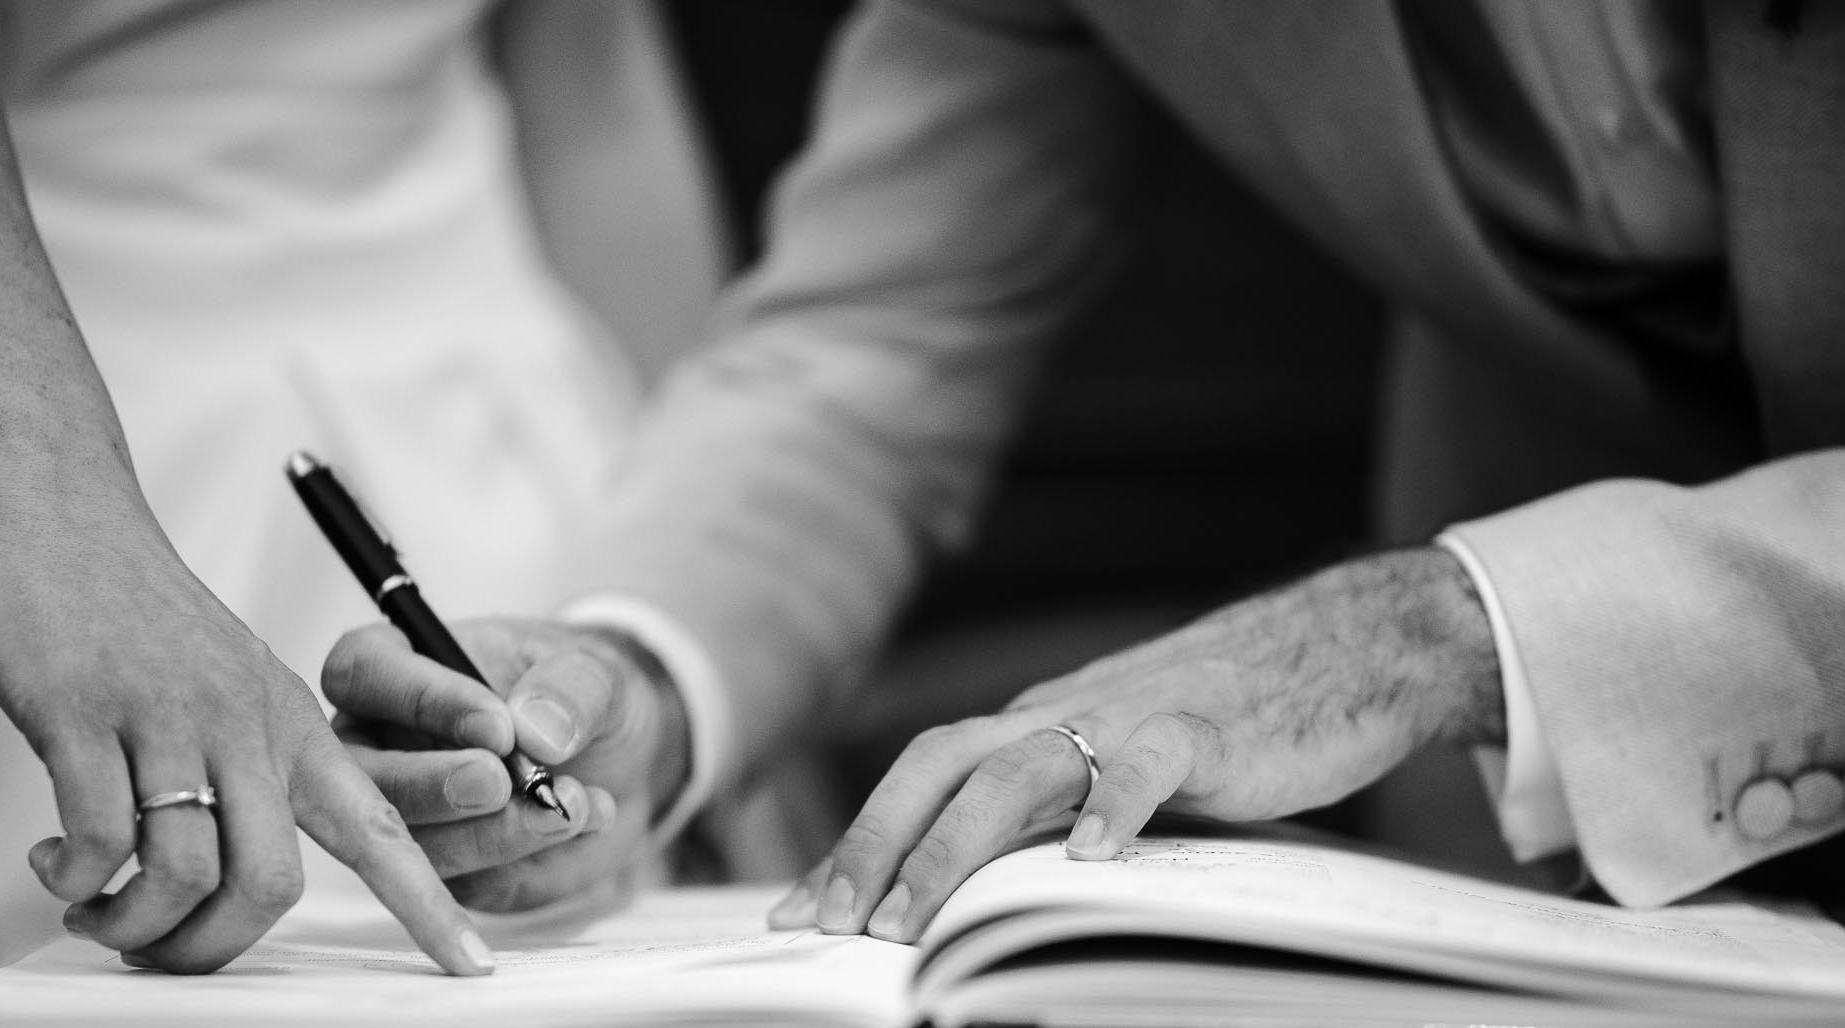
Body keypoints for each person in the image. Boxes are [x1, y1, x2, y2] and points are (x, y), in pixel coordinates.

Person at [325, 0, 1845, 943]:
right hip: (1545, 866)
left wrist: (1440, 632)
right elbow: (882, 334)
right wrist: (639, 686)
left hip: (1537, 707)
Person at [0, 0, 735, 1000]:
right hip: (35, 375)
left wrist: (705, 660)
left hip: (505, 411)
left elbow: (594, 82)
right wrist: (42, 495)